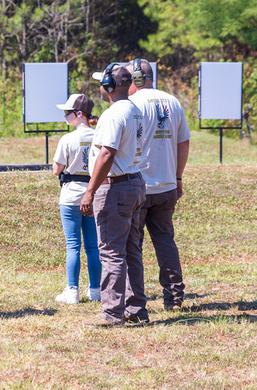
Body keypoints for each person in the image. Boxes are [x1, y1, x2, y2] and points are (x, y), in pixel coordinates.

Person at [124, 59, 190, 319]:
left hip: (139, 185)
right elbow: (183, 142)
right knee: (165, 241)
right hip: (166, 185)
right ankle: (174, 296)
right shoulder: (172, 101)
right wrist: (177, 178)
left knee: (133, 246)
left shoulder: (132, 105)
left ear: (138, 79)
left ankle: (135, 301)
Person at [81, 63, 145, 328]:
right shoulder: (134, 110)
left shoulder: (113, 114)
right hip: (135, 183)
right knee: (132, 251)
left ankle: (111, 313)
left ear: (109, 86)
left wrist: (90, 190)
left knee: (111, 253)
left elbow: (107, 154)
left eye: (102, 82)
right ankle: (136, 309)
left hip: (115, 187)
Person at [52, 94, 101, 304]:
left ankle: (72, 291)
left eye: (67, 113)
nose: (65, 116)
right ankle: (96, 290)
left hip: (71, 196)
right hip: (94, 194)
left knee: (73, 245)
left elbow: (56, 170)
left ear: (79, 114)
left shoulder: (67, 139)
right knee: (93, 246)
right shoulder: (99, 135)